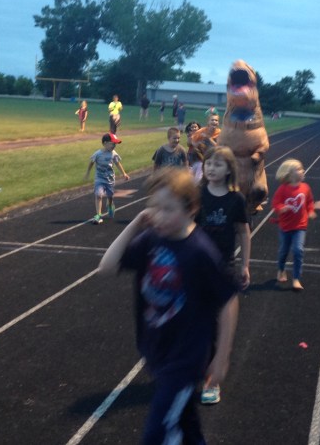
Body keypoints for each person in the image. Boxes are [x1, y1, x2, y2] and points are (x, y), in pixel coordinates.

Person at [97, 168, 239, 445]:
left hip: (185, 358)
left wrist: (222, 357)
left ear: (191, 209)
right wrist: (136, 223)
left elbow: (228, 300)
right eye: (155, 207)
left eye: (168, 209)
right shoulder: (151, 239)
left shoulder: (200, 251)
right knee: (185, 424)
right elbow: (106, 266)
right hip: (158, 349)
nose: (159, 216)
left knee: (158, 432)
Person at [195, 145, 251, 405]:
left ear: (229, 169)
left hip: (223, 267)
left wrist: (245, 265)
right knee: (196, 321)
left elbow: (243, 232)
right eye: (208, 163)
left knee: (217, 324)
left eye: (218, 164)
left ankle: (212, 381)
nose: (211, 168)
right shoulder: (196, 195)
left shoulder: (235, 200)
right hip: (196, 266)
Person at [272, 159, 316, 291]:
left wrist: (311, 210)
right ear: (290, 174)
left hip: (300, 226)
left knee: (298, 250)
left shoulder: (305, 187)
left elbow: (309, 201)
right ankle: (281, 269)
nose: (303, 171)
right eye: (299, 169)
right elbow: (275, 203)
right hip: (285, 227)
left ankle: (296, 278)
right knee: (283, 251)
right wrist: (281, 208)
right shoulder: (282, 189)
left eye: (302, 169)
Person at [84, 132, 130, 224]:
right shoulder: (97, 154)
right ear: (105, 143)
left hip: (110, 180)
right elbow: (91, 162)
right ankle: (98, 215)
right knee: (98, 195)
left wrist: (124, 174)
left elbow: (118, 164)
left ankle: (110, 205)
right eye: (112, 143)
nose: (114, 146)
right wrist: (88, 172)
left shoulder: (113, 154)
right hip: (99, 179)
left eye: (115, 144)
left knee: (110, 196)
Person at [190, 113, 221, 179]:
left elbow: (219, 147)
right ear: (208, 122)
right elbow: (192, 142)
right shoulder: (201, 131)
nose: (214, 122)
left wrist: (208, 138)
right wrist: (199, 143)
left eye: (216, 120)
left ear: (218, 123)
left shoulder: (219, 133)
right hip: (200, 160)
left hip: (214, 159)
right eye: (212, 120)